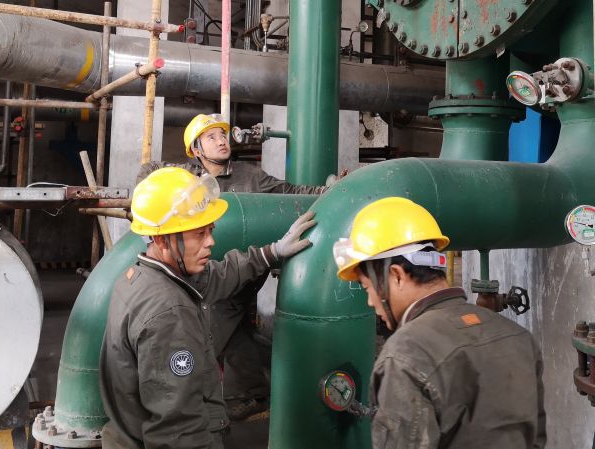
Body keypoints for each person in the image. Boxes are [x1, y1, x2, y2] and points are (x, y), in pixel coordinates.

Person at [99, 167, 316, 449]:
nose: (211, 241)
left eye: (210, 230)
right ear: (162, 239)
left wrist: (272, 252)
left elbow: (218, 276)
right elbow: (178, 432)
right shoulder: (169, 314)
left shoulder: (142, 276)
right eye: (199, 233)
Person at [137, 113, 328, 420]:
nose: (222, 141)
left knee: (209, 332)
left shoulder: (251, 176)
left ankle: (194, 406)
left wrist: (328, 191)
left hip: (244, 268)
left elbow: (291, 192)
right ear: (196, 149)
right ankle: (255, 392)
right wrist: (146, 202)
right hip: (204, 270)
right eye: (211, 137)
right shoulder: (187, 176)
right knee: (235, 332)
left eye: (222, 135)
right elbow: (149, 171)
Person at [333, 197, 546, 449]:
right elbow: (536, 440)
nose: (370, 302)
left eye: (367, 287)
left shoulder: (405, 354)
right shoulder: (518, 337)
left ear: (397, 275)